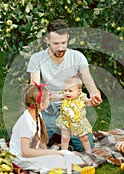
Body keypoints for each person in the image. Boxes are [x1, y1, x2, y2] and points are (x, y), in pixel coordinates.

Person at [26, 19, 102, 147]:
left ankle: (61, 139)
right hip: (48, 109)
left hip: (72, 110)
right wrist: (41, 96)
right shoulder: (36, 59)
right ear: (47, 40)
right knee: (32, 145)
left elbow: (89, 82)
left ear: (68, 39)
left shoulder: (77, 57)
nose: (60, 48)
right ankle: (56, 137)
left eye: (63, 43)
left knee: (86, 146)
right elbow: (34, 89)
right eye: (56, 43)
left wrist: (94, 94)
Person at [9, 83, 85, 174]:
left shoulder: (37, 114)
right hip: (21, 158)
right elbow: (25, 152)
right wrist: (50, 153)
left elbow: (39, 137)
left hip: (33, 152)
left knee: (67, 155)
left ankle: (71, 164)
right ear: (41, 105)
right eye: (48, 99)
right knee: (59, 161)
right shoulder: (25, 122)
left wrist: (46, 151)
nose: (49, 101)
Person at [56, 76, 93, 153]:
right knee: (65, 138)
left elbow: (88, 101)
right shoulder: (65, 97)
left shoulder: (81, 97)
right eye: (65, 90)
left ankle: (89, 152)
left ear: (78, 91)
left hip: (79, 122)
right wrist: (51, 96)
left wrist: (90, 101)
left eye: (70, 91)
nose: (67, 93)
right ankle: (64, 153)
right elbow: (57, 97)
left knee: (84, 138)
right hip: (66, 122)